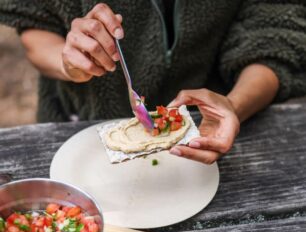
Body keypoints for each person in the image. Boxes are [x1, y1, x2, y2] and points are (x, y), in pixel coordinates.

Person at [0, 1, 306, 164]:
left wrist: (234, 105)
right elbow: (34, 29)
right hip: (77, 127)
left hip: (207, 140)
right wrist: (71, 63)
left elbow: (275, 35)